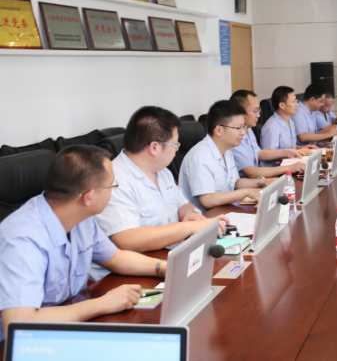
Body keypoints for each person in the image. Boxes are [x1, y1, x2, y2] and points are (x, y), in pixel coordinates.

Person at [0, 145, 167, 339]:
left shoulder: (81, 216)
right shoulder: (22, 239)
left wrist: (163, 268)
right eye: (112, 186)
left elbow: (115, 257)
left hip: (70, 323)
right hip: (27, 342)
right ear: (89, 196)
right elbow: (20, 324)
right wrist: (102, 304)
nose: (114, 192)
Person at [96, 106, 226, 252]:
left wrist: (191, 215)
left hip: (175, 251)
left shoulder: (163, 172)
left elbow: (183, 204)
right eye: (175, 144)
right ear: (155, 147)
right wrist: (188, 227)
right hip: (144, 260)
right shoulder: (114, 179)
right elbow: (127, 239)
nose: (177, 150)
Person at [179, 100, 266, 210]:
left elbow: (234, 182)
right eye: (238, 128)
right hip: (205, 216)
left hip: (225, 210)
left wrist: (258, 183)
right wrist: (246, 192)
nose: (243, 132)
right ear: (219, 130)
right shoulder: (199, 156)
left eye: (244, 127)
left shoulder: (227, 149)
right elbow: (207, 200)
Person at [229, 90, 305, 177]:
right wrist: (289, 168)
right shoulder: (234, 136)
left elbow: (258, 153)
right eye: (255, 111)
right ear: (240, 112)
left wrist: (287, 152)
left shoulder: (248, 129)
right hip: (254, 179)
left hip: (261, 177)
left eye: (259, 111)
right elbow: (251, 172)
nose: (258, 115)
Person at [260, 86, 317, 154]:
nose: (297, 105)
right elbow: (269, 154)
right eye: (293, 102)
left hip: (291, 159)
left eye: (296, 101)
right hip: (281, 161)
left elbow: (289, 148)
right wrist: (296, 152)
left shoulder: (290, 121)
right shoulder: (272, 126)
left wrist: (302, 148)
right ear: (282, 105)